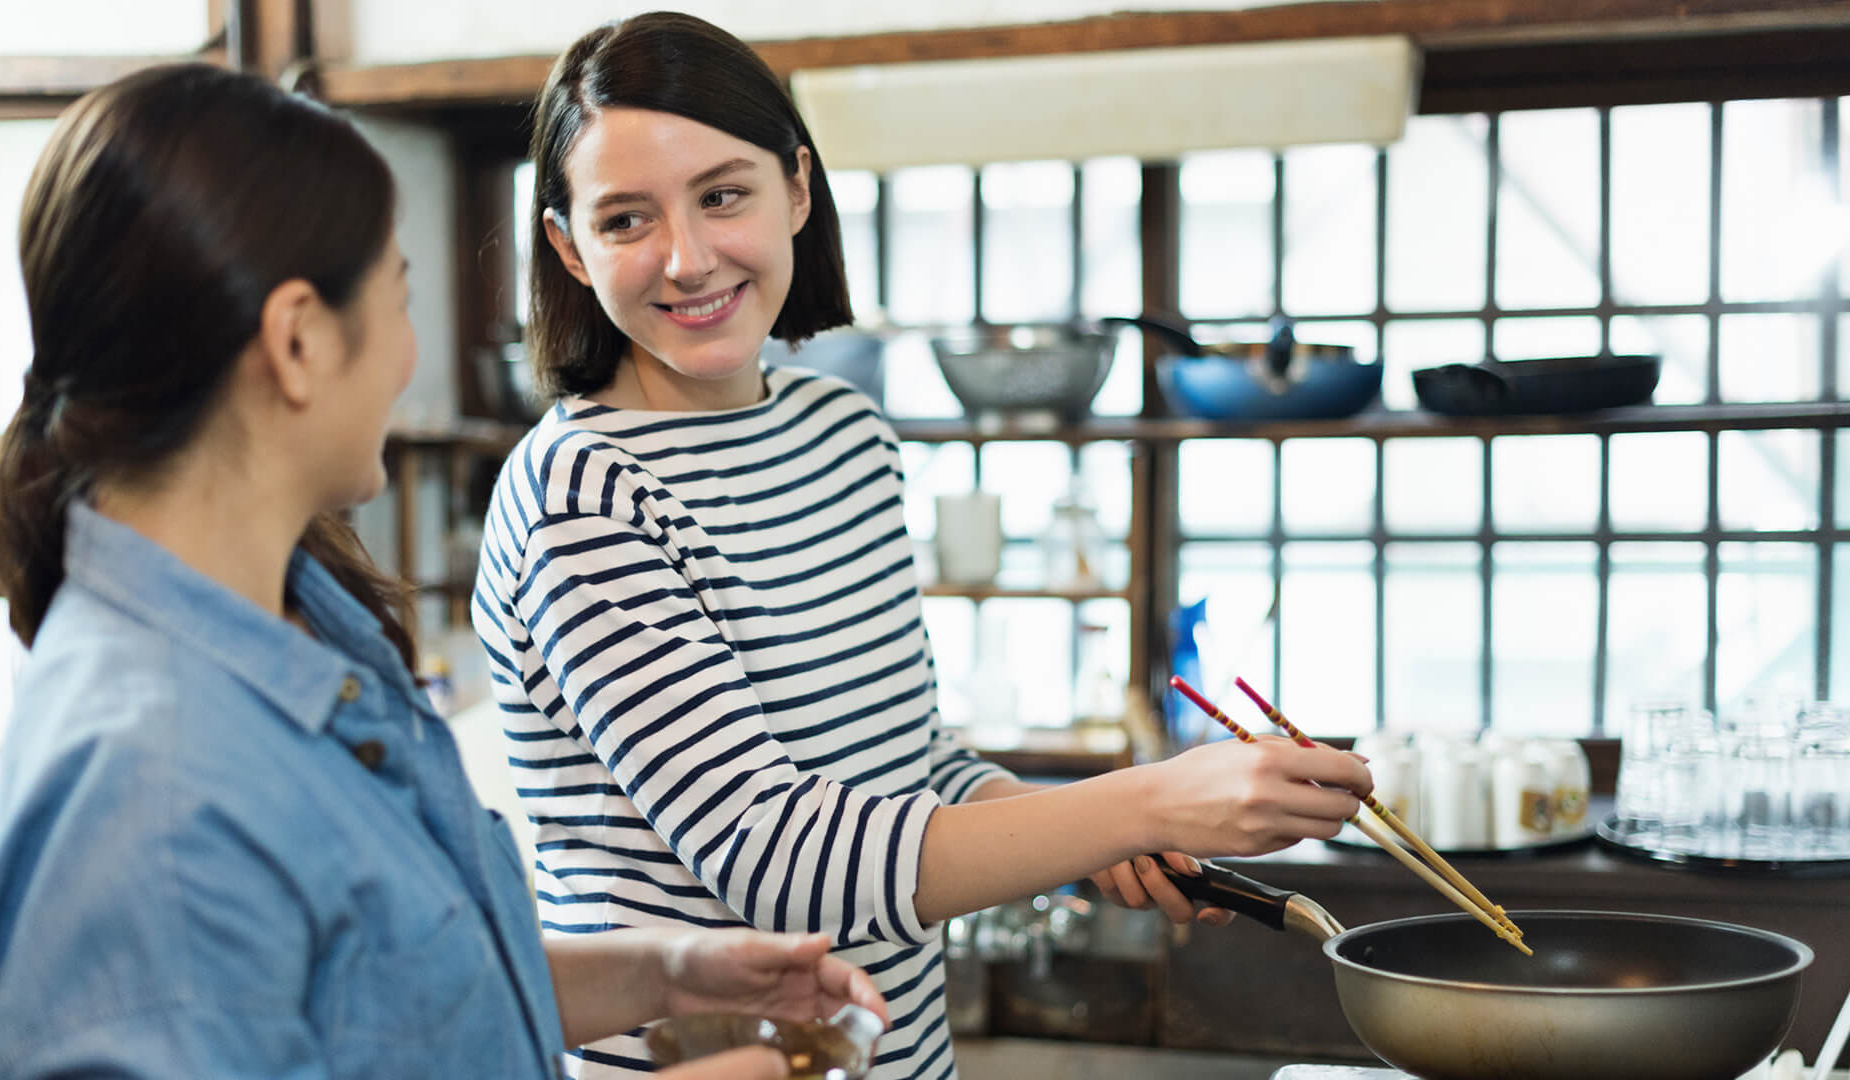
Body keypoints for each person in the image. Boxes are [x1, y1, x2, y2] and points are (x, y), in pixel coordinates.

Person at [0, 62, 887, 1080]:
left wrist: (665, 970)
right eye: (396, 297)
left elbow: (385, 996)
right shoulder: (153, 783)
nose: (407, 354)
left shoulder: (302, 624)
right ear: (299, 342)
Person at [473, 12, 1374, 1080]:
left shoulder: (843, 432)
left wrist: (1083, 836)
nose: (688, 257)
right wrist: (1149, 798)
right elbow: (777, 857)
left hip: (902, 1059)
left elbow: (911, 762)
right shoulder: (581, 493)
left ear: (797, 190)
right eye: (627, 219)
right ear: (569, 247)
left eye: (724, 195)